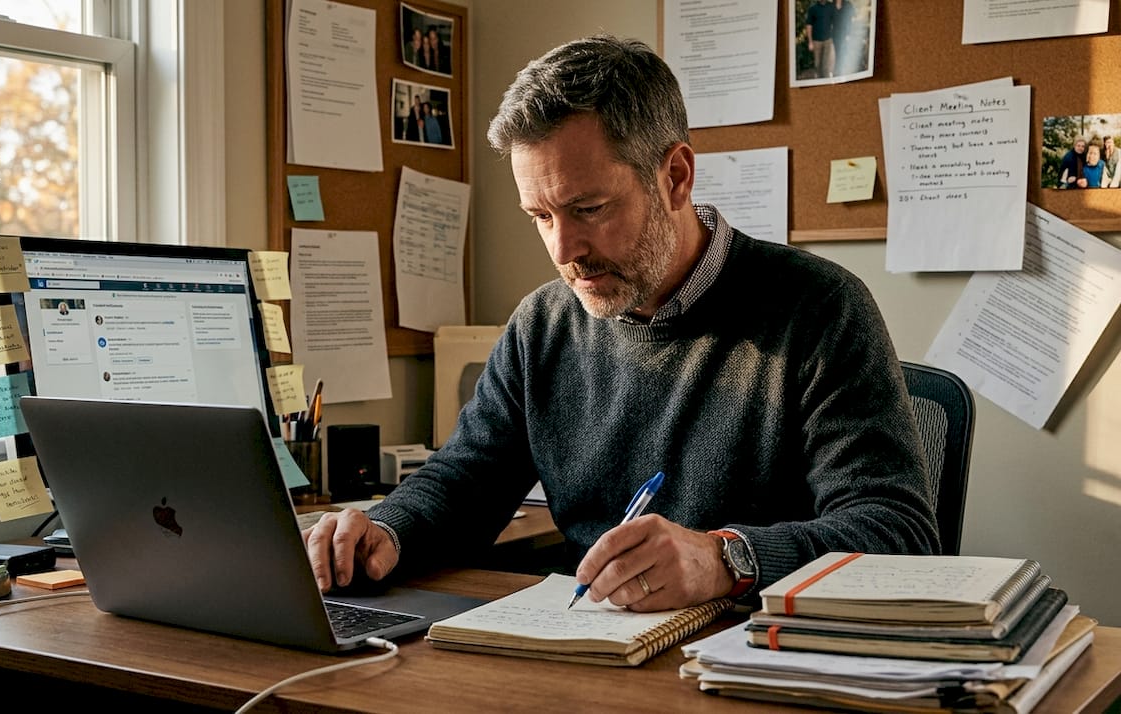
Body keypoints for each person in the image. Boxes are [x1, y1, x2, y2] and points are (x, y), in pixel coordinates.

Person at [304, 35, 937, 612]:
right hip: (592, 647)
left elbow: (897, 532)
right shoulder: (544, 325)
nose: (564, 250)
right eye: (540, 216)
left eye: (588, 208)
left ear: (675, 177)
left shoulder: (820, 309)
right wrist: (386, 529)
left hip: (755, 657)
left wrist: (726, 559)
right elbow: (467, 477)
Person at [805, 0, 837, 79]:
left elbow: (835, 22)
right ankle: (818, 81)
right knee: (817, 64)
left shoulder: (831, 7)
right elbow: (809, 26)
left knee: (827, 64)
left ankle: (827, 82)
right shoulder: (812, 9)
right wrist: (810, 42)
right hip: (816, 41)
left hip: (828, 40)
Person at [832, 0, 858, 76]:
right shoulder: (831, 5)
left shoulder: (848, 4)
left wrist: (849, 33)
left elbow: (853, 19)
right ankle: (837, 72)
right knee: (837, 52)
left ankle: (845, 71)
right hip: (835, 34)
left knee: (844, 52)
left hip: (845, 34)